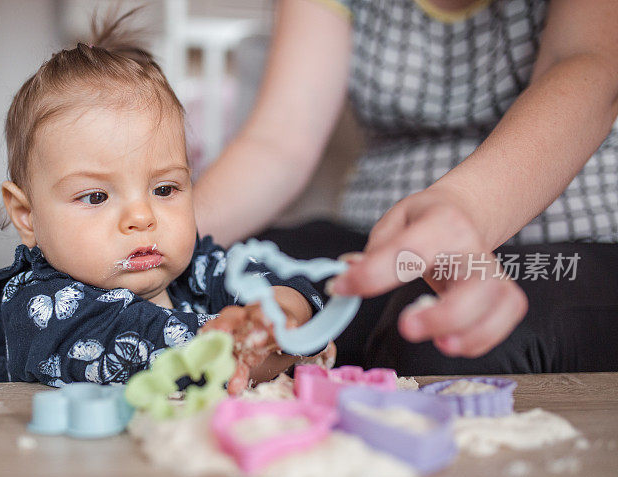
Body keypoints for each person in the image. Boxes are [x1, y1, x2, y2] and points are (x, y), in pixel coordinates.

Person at [194, 0, 618, 374]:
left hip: (573, 240)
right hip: (375, 240)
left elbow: (587, 66)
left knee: (448, 344)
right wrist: (160, 232)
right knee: (218, 278)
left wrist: (463, 208)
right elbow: (279, 141)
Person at [0, 12, 327, 392]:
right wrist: (248, 342)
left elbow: (279, 282)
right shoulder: (43, 307)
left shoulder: (196, 270)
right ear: (26, 215)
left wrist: (283, 313)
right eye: (96, 196)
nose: (142, 217)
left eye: (164, 190)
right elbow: (146, 344)